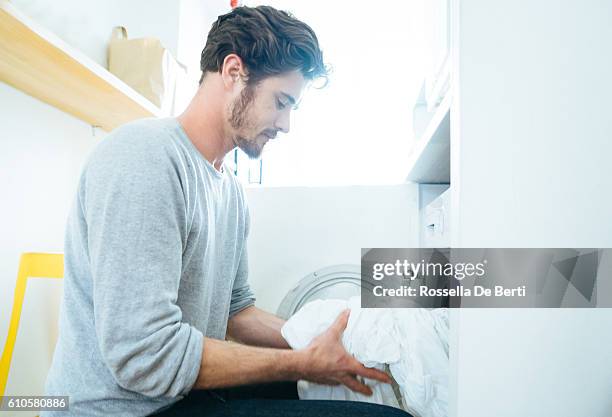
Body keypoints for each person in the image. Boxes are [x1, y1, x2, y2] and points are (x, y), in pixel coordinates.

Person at [44, 5, 411, 417]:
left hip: (179, 396)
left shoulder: (229, 192)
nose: (286, 124)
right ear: (234, 72)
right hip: (120, 409)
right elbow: (143, 356)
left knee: (345, 394)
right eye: (281, 102)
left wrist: (335, 341)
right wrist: (302, 362)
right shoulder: (145, 158)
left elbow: (237, 312)